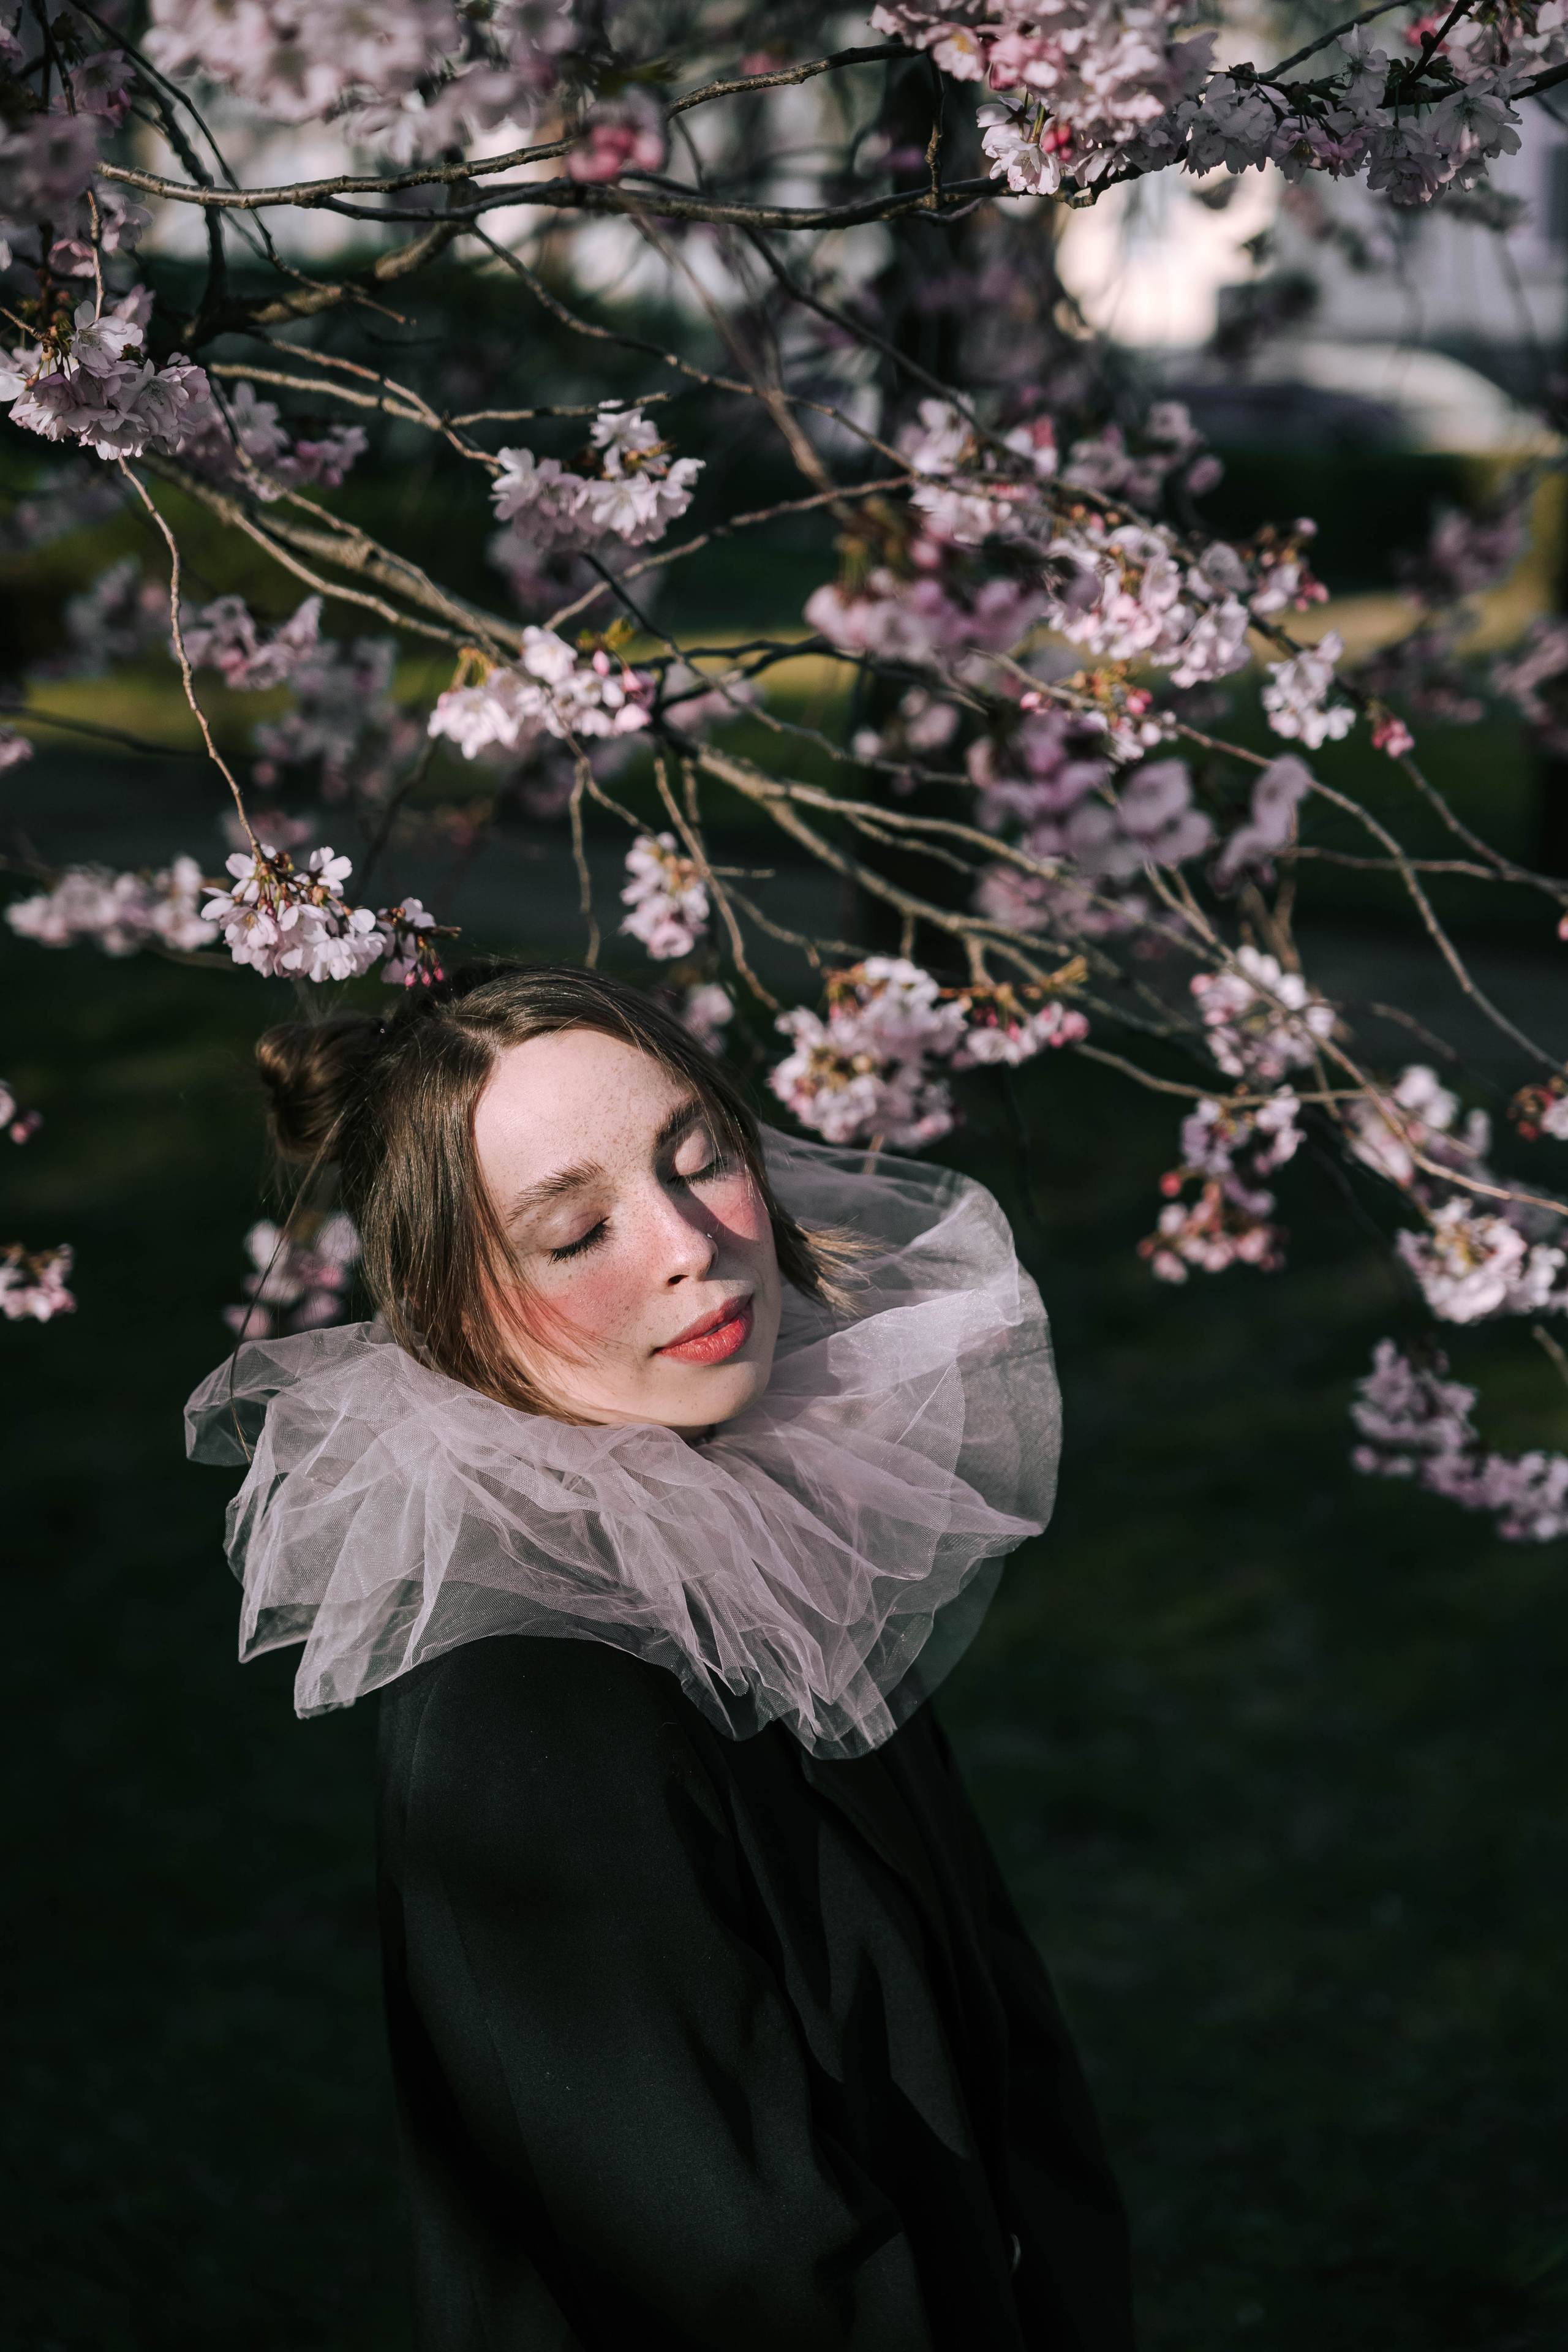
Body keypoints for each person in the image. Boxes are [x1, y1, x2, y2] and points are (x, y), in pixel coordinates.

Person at [186, 961, 1134, 2351]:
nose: (689, 1242)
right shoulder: (532, 1708)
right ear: (452, 1316)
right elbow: (730, 2263)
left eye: (701, 1160)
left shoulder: (765, 1535)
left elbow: (991, 2013)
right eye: (576, 1232)